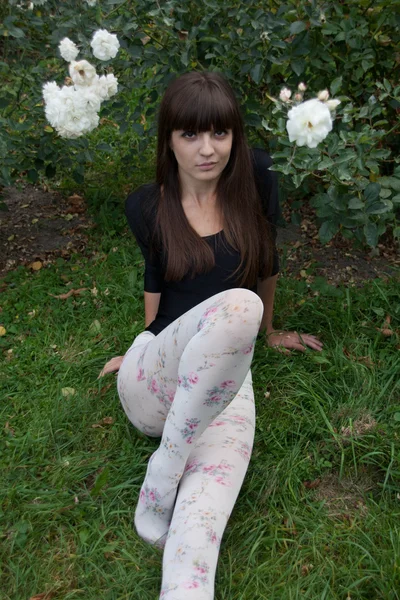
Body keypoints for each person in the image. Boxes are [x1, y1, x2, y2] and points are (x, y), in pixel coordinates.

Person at [99, 71, 323, 599]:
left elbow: (266, 261)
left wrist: (267, 331)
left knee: (201, 525)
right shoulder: (146, 206)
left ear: (234, 136)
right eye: (190, 135)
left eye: (219, 134)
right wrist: (141, 345)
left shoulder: (259, 178)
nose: (207, 149)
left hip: (224, 383)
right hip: (157, 375)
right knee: (237, 306)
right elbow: (156, 277)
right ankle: (166, 465)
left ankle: (180, 573)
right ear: (168, 140)